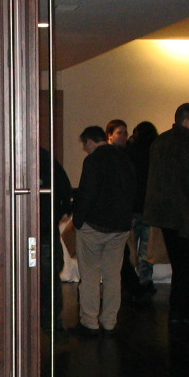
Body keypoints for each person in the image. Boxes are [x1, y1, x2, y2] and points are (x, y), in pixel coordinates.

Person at [143, 103, 189, 325]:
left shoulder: (160, 141)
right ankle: (183, 311)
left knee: (179, 263)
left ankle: (178, 311)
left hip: (163, 212)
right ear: (187, 120)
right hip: (184, 213)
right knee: (187, 266)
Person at [70, 126, 136, 335]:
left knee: (90, 275)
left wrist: (78, 221)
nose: (85, 149)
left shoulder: (93, 160)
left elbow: (87, 193)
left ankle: (89, 321)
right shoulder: (124, 158)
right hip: (120, 226)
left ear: (89, 141)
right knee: (112, 275)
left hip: (94, 226)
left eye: (85, 145)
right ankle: (109, 321)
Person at [39, 146, 72, 334]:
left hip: (24, 226)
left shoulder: (11, 156)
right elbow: (63, 186)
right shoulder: (46, 158)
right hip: (46, 223)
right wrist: (61, 210)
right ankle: (51, 318)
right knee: (50, 273)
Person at [127, 121, 158, 294]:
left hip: (131, 206)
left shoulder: (130, 153)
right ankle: (145, 280)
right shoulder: (155, 153)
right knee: (147, 249)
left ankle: (131, 280)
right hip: (149, 207)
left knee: (130, 247)